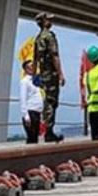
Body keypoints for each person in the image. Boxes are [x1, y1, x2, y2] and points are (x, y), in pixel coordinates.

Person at [34, 12, 65, 142]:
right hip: (51, 74)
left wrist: (36, 73)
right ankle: (49, 131)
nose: (51, 21)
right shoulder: (49, 37)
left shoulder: (38, 38)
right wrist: (60, 73)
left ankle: (47, 129)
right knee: (52, 102)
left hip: (43, 74)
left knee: (47, 101)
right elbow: (54, 55)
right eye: (49, 19)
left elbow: (35, 57)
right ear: (44, 21)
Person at [19, 60, 43, 144]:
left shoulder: (35, 81)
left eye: (33, 66)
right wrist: (25, 115)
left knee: (35, 137)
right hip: (30, 111)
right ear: (25, 69)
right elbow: (23, 98)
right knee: (31, 137)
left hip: (37, 111)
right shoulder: (25, 82)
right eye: (30, 66)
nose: (32, 68)